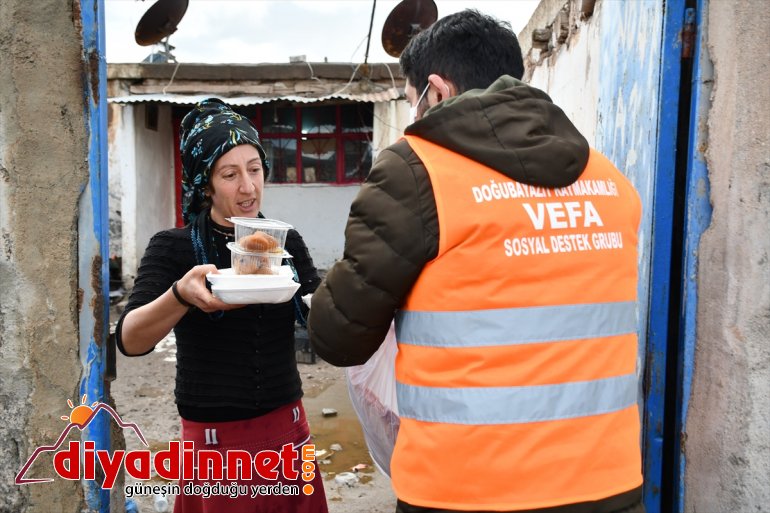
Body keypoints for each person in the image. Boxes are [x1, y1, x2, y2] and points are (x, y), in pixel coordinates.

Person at [308, 9, 644, 513]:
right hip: (606, 486)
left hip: (465, 490)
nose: (413, 117)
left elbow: (338, 336)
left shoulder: (415, 173)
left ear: (437, 92)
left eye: (412, 101)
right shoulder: (609, 181)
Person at [117, 98, 328, 513]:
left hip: (288, 430)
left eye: (254, 169)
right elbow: (130, 340)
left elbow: (320, 318)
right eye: (230, 175)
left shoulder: (284, 244)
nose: (248, 187)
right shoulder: (173, 248)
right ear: (205, 183)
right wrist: (179, 294)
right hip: (213, 445)